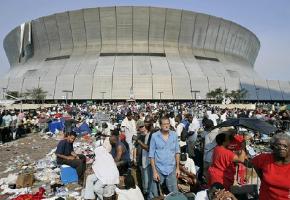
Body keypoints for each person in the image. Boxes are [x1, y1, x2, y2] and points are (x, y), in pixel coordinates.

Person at [251, 132, 290, 200]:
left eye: (285, 146)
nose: (282, 148)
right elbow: (253, 163)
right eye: (278, 145)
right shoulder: (264, 158)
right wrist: (263, 178)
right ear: (273, 147)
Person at [149, 116, 180, 198]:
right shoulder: (155, 136)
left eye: (168, 124)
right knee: (154, 194)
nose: (166, 126)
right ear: (160, 125)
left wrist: (177, 168)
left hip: (171, 169)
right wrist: (154, 171)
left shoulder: (174, 135)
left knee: (174, 194)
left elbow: (177, 152)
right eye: (164, 124)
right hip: (158, 168)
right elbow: (151, 155)